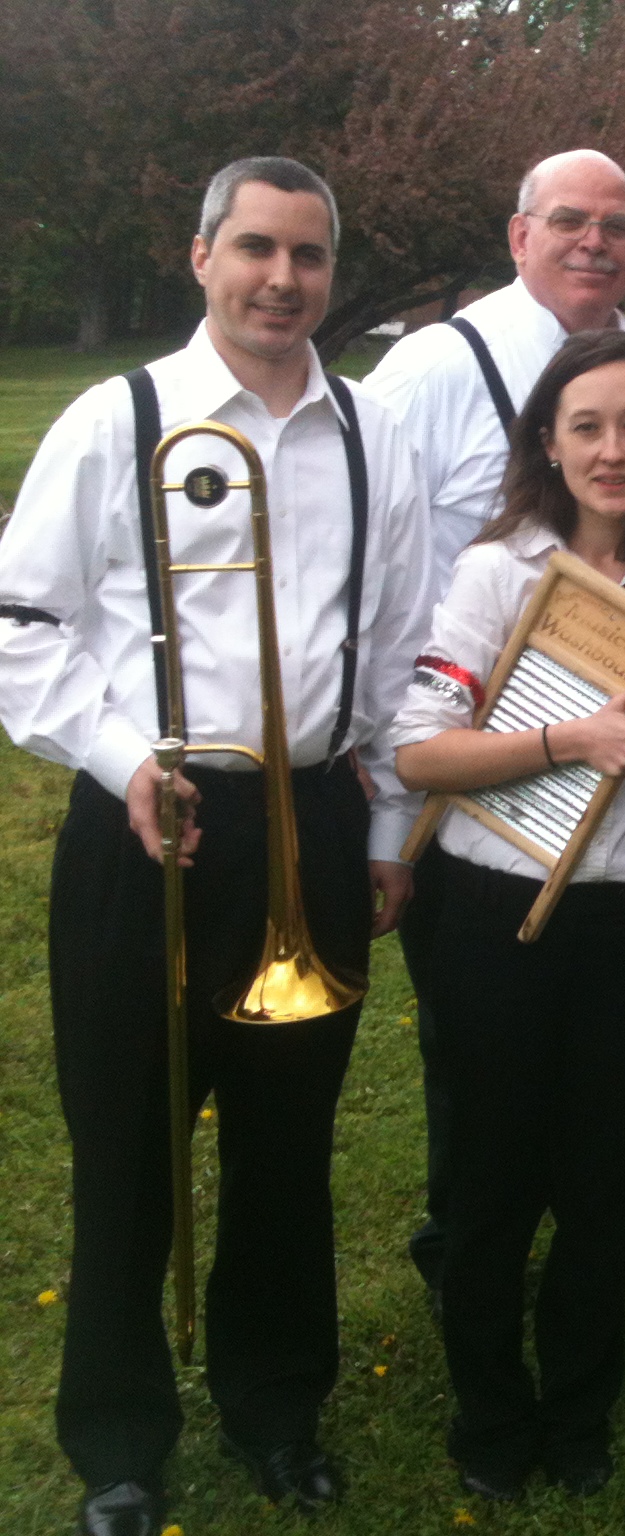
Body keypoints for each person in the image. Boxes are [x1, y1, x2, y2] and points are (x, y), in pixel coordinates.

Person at [0, 156, 432, 1536]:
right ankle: (121, 1439)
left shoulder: (372, 435)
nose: (283, 280)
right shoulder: (116, 419)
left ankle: (277, 1403)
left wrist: (388, 828)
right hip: (152, 821)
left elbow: (405, 655)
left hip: (309, 808)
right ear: (201, 257)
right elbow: (20, 631)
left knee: (287, 1140)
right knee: (128, 1140)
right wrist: (129, 761)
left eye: (308, 256)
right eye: (256, 248)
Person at [364, 148, 625, 1305]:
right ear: (518, 237)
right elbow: (383, 587)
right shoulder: (428, 370)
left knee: (598, 1075)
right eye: (568, 221)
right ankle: (470, 1248)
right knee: (483, 1072)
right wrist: (389, 821)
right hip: (462, 782)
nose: (592, 243)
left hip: (620, 832)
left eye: (616, 226)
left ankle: (607, 1227)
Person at [392, 329, 625, 1501]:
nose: (613, 449)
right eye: (586, 426)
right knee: (487, 1180)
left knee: (595, 1178)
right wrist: (566, 740)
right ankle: (489, 1417)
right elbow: (422, 755)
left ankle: (578, 1415)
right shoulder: (497, 573)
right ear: (547, 442)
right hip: (490, 908)